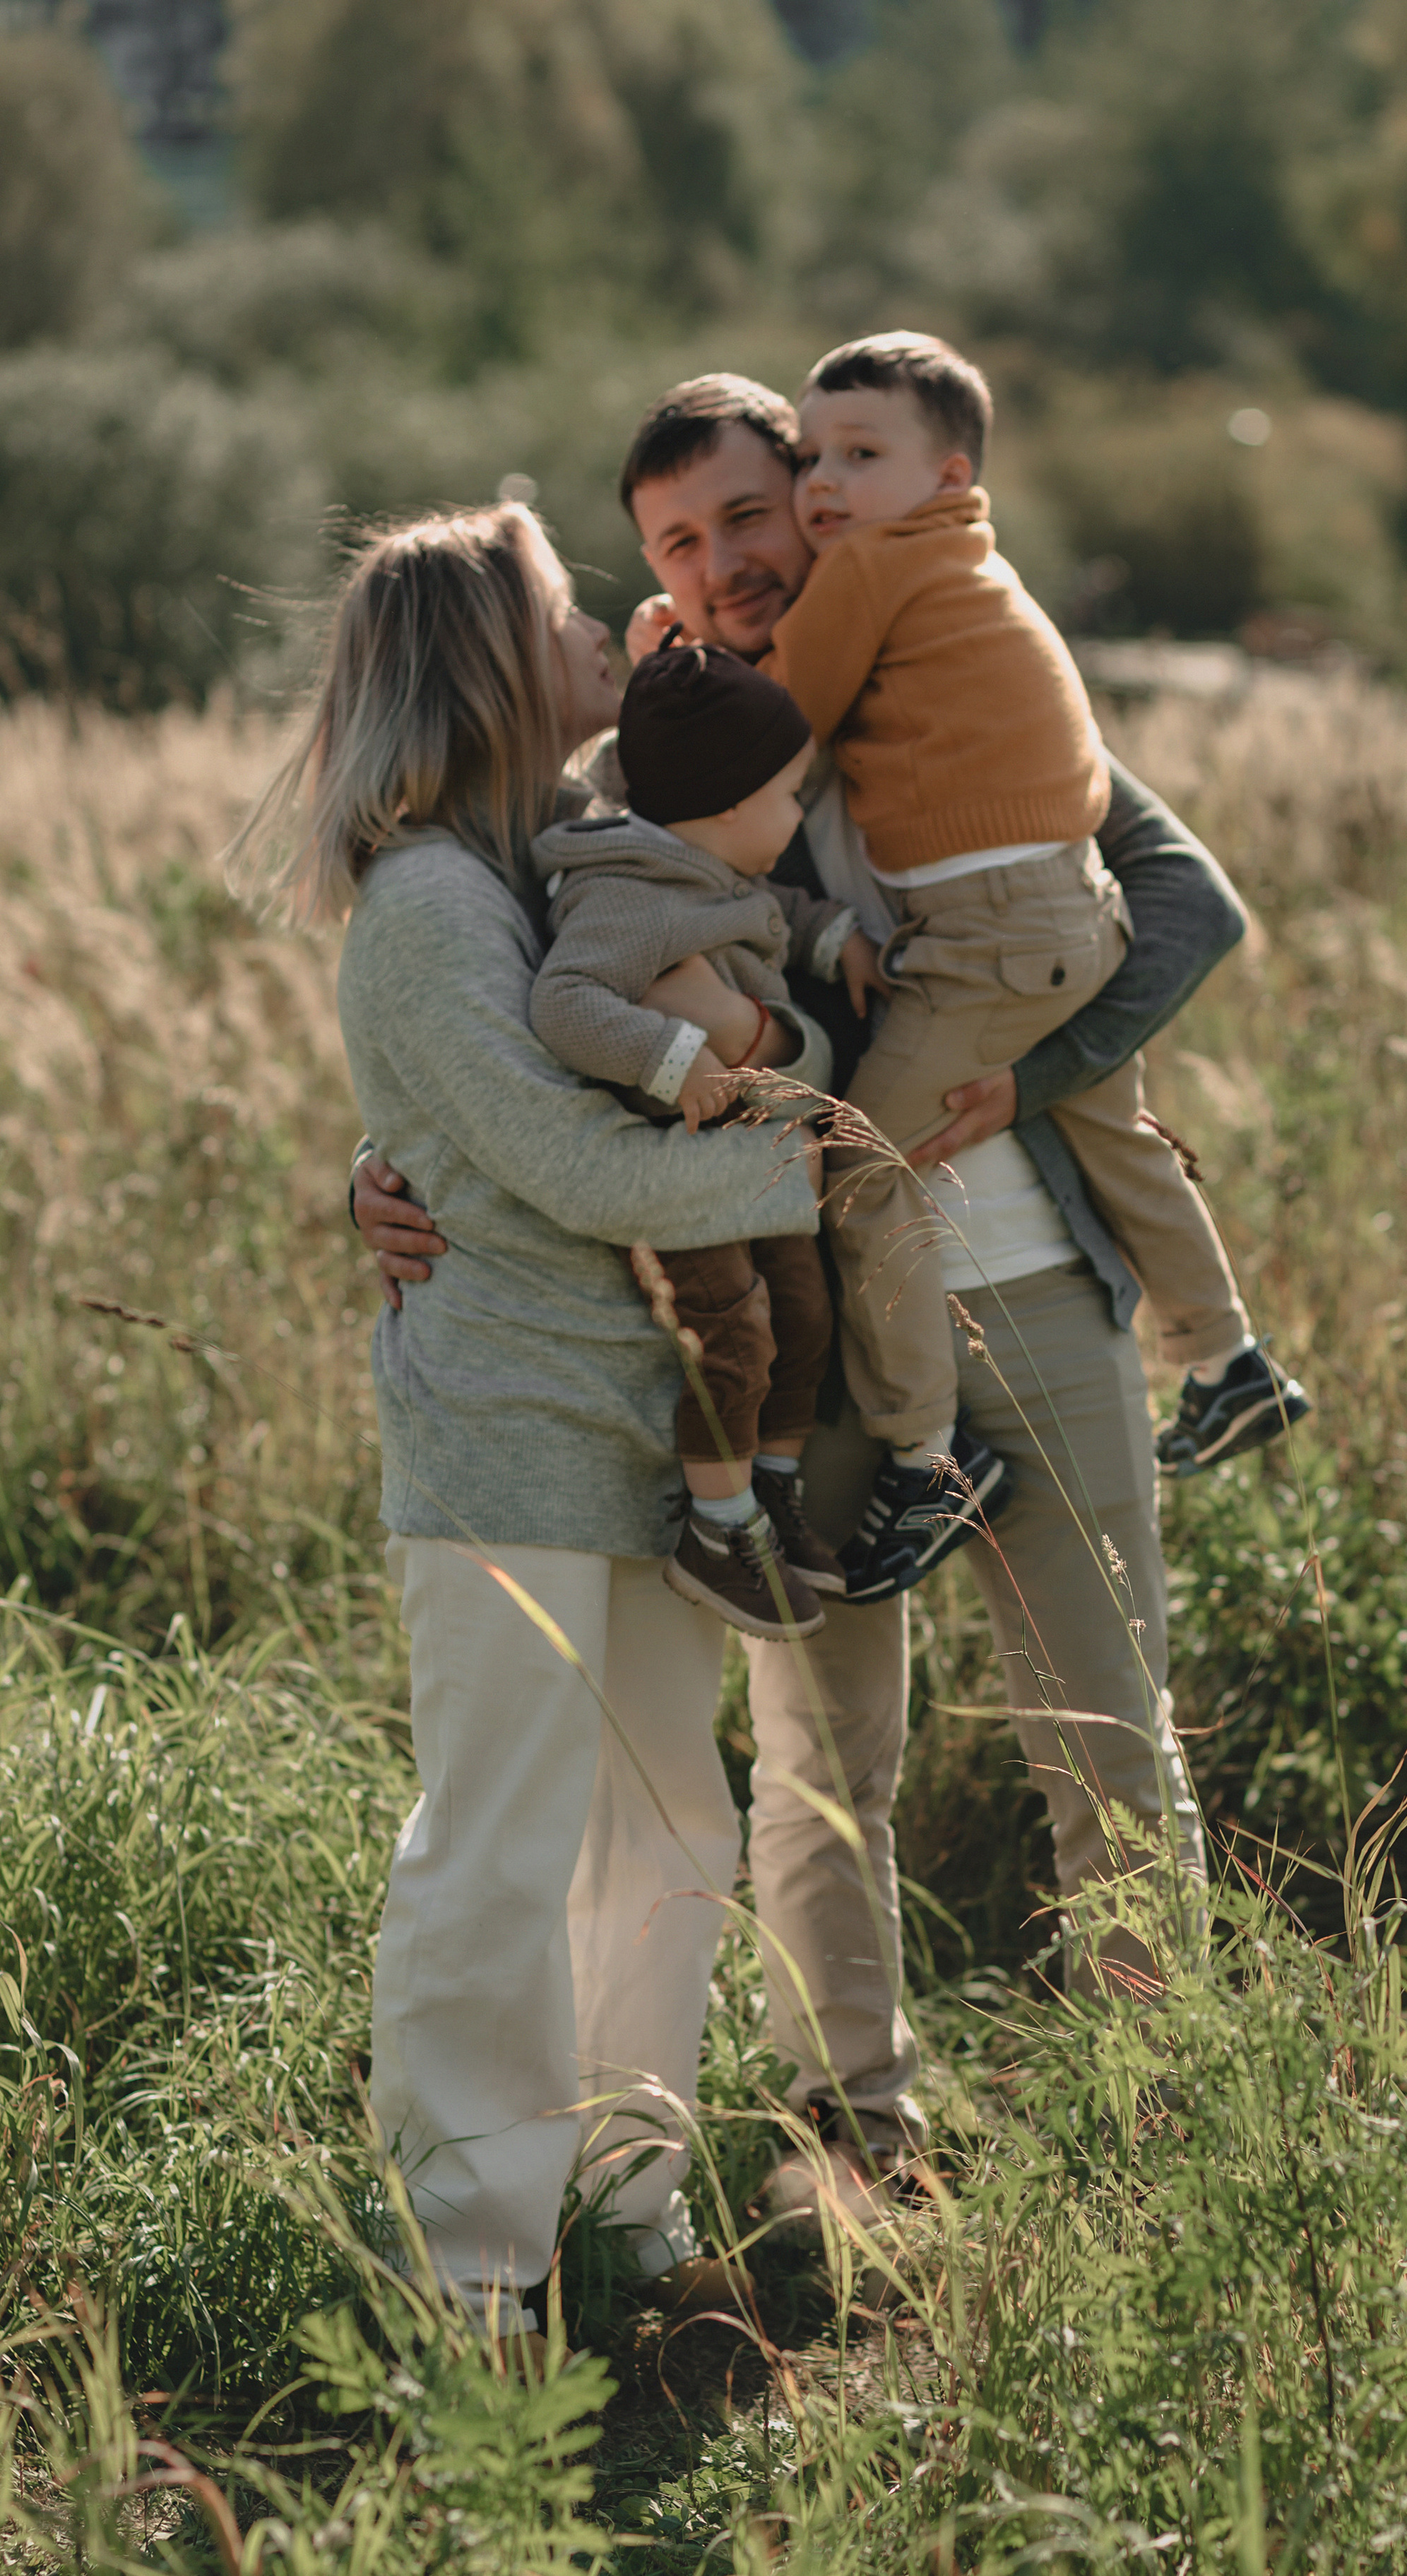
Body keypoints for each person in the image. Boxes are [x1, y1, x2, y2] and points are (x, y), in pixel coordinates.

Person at [352, 373, 1271, 2210]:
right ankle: (867, 2124)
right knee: (822, 1758)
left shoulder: (967, 665)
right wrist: (384, 1174)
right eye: (682, 543)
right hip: (832, 1348)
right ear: (656, 581)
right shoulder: (644, 784)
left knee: (1110, 1739)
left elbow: (1187, 906)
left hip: (1040, 1288)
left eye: (753, 516)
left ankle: (1168, 2144)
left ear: (818, 509)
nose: (730, 561)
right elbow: (496, 1031)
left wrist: (1038, 1059)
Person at [240, 500, 821, 2338]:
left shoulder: (552, 862)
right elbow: (571, 1159)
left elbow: (515, 1121)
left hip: (635, 1426)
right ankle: (476, 2282)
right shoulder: (427, 900)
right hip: (504, 1429)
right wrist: (830, 1178)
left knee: (672, 1834)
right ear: (492, 665)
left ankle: (627, 2217)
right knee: (496, 1853)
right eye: (566, 610)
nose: (603, 633)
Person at [763, 333, 1309, 1600]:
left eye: (860, 455)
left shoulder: (872, 573)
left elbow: (784, 719)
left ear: (951, 474)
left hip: (990, 935)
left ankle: (929, 1453)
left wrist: (683, 667)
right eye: (810, 459)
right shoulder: (972, 566)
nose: (823, 486)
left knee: (857, 1164)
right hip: (1073, 910)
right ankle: (1227, 1357)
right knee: (1111, 1121)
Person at [529, 638, 862, 1640]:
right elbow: (563, 1004)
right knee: (735, 1341)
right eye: (788, 795)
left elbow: (770, 915)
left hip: (752, 1167)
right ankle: (719, 1532)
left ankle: (770, 1491)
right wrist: (676, 1059)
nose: (798, 816)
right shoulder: (629, 895)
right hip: (682, 1174)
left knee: (805, 1317)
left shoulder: (709, 870)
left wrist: (838, 941)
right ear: (724, 805)